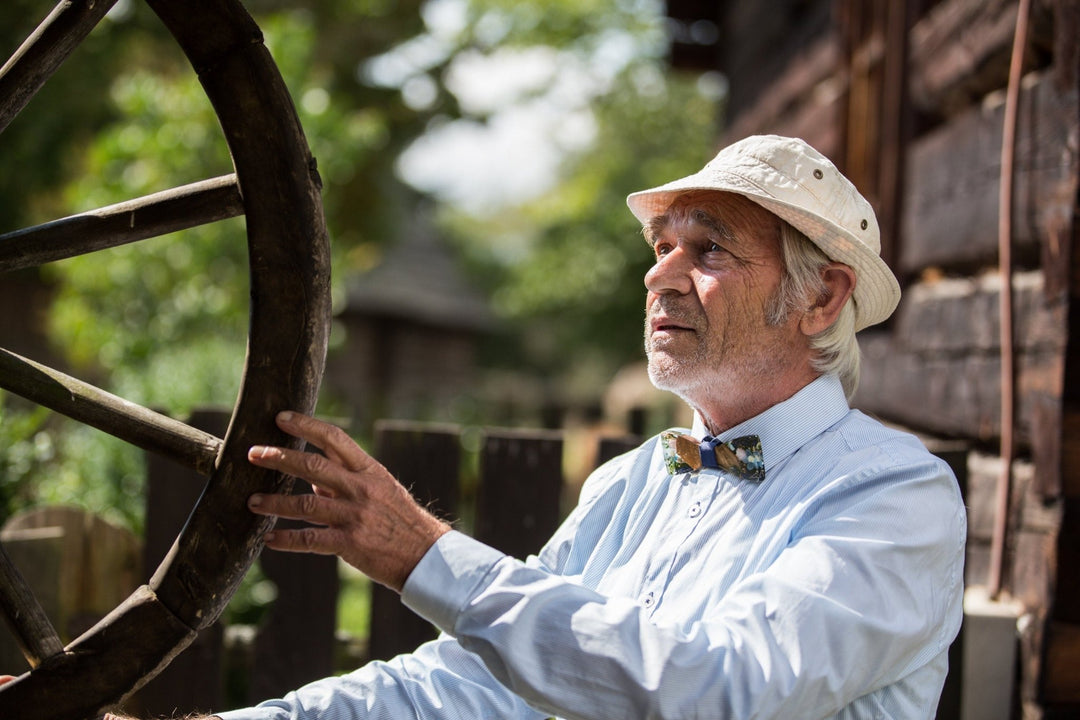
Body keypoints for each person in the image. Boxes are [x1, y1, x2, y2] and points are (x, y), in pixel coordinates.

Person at [68, 134, 972, 719]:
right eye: (660, 251)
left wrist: (423, 550)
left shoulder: (893, 494)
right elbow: (470, 685)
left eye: (708, 252)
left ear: (822, 295)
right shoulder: (633, 484)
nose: (659, 278)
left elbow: (717, 690)